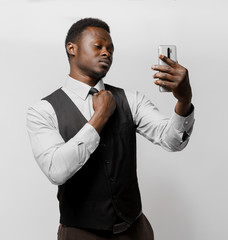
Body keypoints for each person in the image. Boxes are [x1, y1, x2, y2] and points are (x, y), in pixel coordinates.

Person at [26, 17, 195, 240]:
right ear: (72, 48)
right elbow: (56, 170)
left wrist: (184, 101)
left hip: (135, 231)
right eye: (98, 46)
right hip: (80, 233)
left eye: (110, 49)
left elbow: (172, 141)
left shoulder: (131, 100)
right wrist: (100, 116)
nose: (107, 53)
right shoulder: (42, 111)